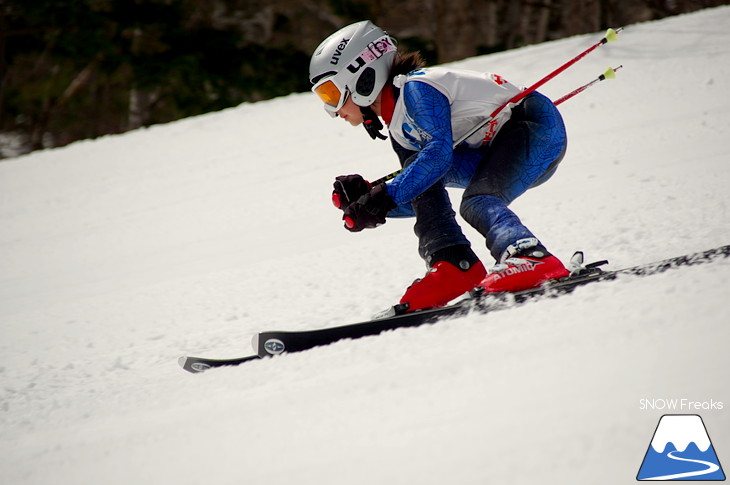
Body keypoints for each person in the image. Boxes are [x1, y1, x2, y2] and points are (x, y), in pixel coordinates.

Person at [309, 20, 570, 313]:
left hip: (535, 129)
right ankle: (454, 265)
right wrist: (371, 199)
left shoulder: (417, 89)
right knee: (423, 179)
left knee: (476, 202)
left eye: (330, 94)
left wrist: (387, 194)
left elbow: (438, 156)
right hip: (495, 150)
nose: (333, 111)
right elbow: (423, 192)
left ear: (361, 77)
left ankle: (530, 255)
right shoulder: (398, 127)